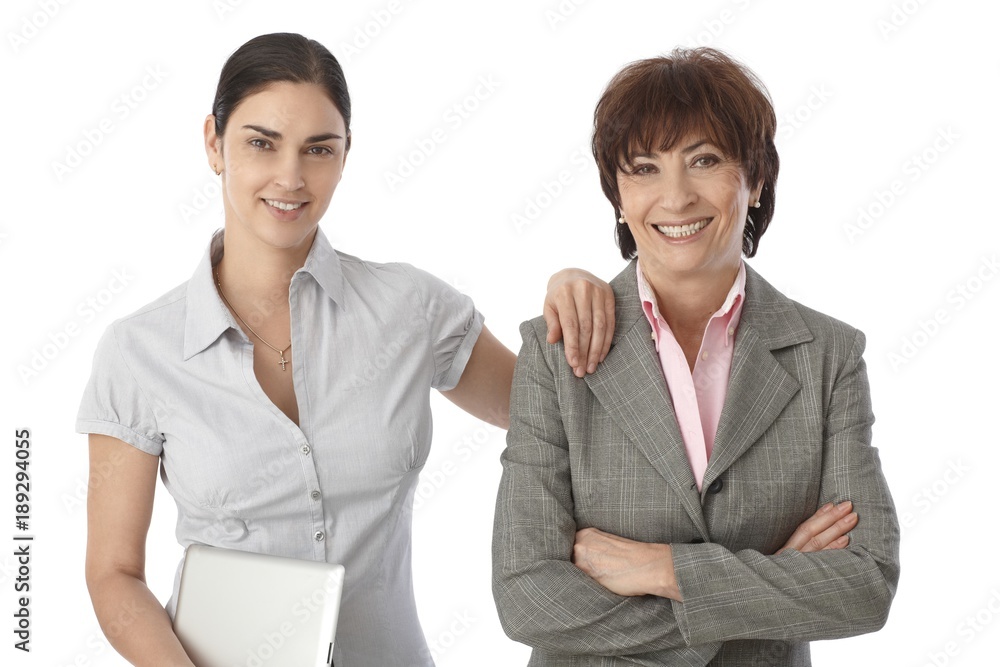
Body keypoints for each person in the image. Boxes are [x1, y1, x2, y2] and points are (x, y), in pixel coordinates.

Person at [76, 32, 617, 666]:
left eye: (318, 149)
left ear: (345, 155)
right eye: (261, 142)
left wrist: (567, 291)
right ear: (213, 143)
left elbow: (563, 419)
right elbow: (113, 574)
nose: (290, 176)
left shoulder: (410, 308)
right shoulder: (138, 352)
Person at [492, 47, 900, 665]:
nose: (675, 198)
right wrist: (769, 587)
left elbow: (865, 586)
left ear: (755, 178)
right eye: (644, 168)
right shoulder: (555, 351)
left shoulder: (828, 355)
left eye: (704, 160)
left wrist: (669, 570)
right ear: (618, 196)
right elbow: (528, 599)